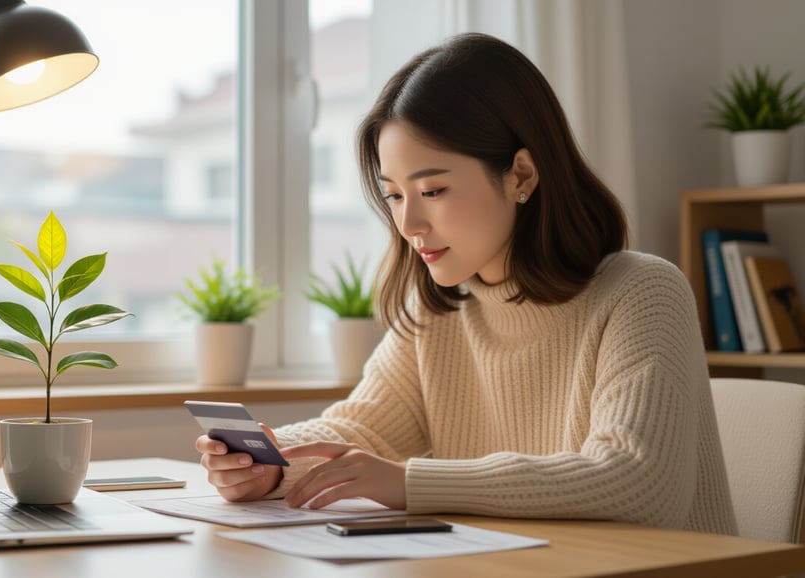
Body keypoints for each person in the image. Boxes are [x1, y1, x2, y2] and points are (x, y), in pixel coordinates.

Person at [195, 32, 737, 535]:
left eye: (432, 190)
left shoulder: (642, 291)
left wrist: (410, 482)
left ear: (521, 175)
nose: (408, 225)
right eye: (395, 195)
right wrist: (267, 464)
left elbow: (637, 481)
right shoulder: (440, 313)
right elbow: (362, 431)